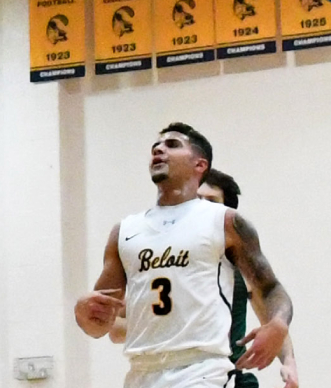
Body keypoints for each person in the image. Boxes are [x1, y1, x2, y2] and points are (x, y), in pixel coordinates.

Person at [75, 124, 294, 388]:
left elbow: (269, 289)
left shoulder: (224, 221)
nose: (159, 149)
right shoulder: (124, 231)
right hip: (142, 374)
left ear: (200, 164)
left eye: (173, 144)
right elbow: (100, 325)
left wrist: (279, 323)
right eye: (156, 145)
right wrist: (83, 314)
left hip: (202, 371)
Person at [110, 168, 299, 388]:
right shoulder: (159, 261)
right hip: (165, 375)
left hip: (226, 375)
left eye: (211, 201)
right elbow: (115, 328)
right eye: (197, 199)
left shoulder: (237, 264)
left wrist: (289, 361)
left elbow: (270, 317)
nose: (202, 207)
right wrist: (167, 329)